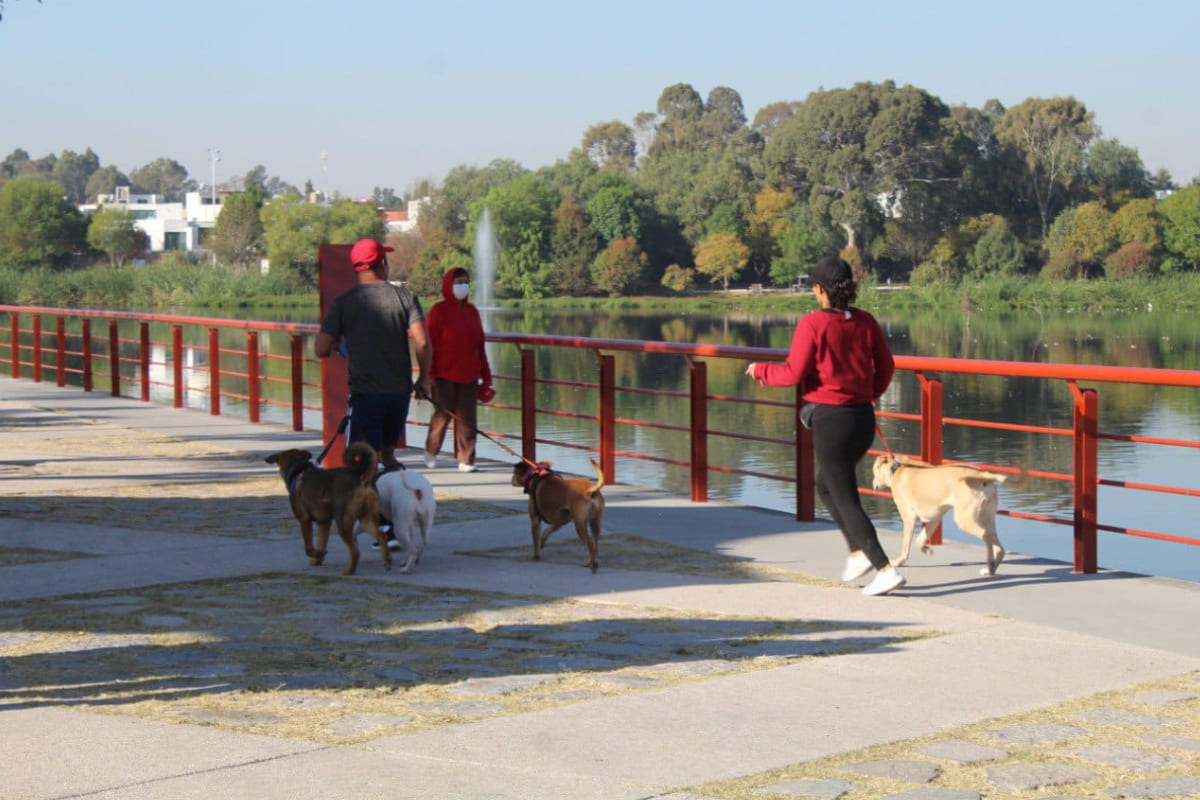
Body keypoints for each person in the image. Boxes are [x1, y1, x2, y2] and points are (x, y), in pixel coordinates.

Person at [745, 256, 905, 596]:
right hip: (862, 417)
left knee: (845, 497)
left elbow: (792, 373)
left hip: (832, 421)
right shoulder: (865, 321)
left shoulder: (813, 324)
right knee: (827, 486)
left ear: (819, 290)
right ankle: (857, 551)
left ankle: (885, 568)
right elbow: (887, 366)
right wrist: (870, 393)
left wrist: (760, 370)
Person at [315, 238, 432, 548]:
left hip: (366, 393)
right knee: (390, 456)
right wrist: (424, 379)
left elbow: (321, 348)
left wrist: (343, 341)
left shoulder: (344, 303)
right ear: (382, 263)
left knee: (363, 462)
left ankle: (375, 523)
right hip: (398, 393)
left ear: (357, 268)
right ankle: (396, 526)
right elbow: (422, 343)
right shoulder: (405, 298)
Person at [422, 267, 493, 472]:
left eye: (465, 281)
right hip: (443, 375)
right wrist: (430, 374)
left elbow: (480, 346)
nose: (462, 285)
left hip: (469, 374)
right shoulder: (438, 311)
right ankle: (432, 450)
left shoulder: (472, 312)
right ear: (448, 285)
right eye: (457, 282)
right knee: (442, 416)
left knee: (468, 419)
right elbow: (429, 343)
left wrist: (486, 376)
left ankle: (466, 459)